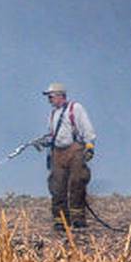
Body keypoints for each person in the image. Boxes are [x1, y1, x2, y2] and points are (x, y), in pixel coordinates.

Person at [39, 83, 96, 229]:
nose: (49, 100)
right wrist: (44, 142)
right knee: (57, 186)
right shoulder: (53, 114)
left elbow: (86, 128)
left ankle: (78, 218)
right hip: (57, 152)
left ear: (60, 96)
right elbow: (52, 134)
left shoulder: (75, 108)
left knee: (77, 183)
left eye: (51, 97)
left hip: (75, 150)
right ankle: (61, 220)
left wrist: (89, 146)